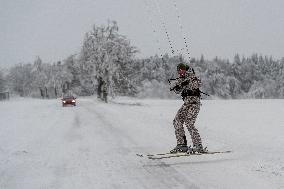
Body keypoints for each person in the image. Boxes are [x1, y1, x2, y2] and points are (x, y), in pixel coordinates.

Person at [170, 63, 205, 153]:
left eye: (181, 69)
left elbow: (198, 83)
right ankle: (182, 145)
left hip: (194, 104)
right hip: (186, 104)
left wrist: (186, 83)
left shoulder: (192, 76)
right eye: (178, 70)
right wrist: (176, 87)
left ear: (185, 69)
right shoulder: (180, 79)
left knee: (189, 122)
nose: (180, 72)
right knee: (177, 120)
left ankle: (198, 145)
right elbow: (175, 89)